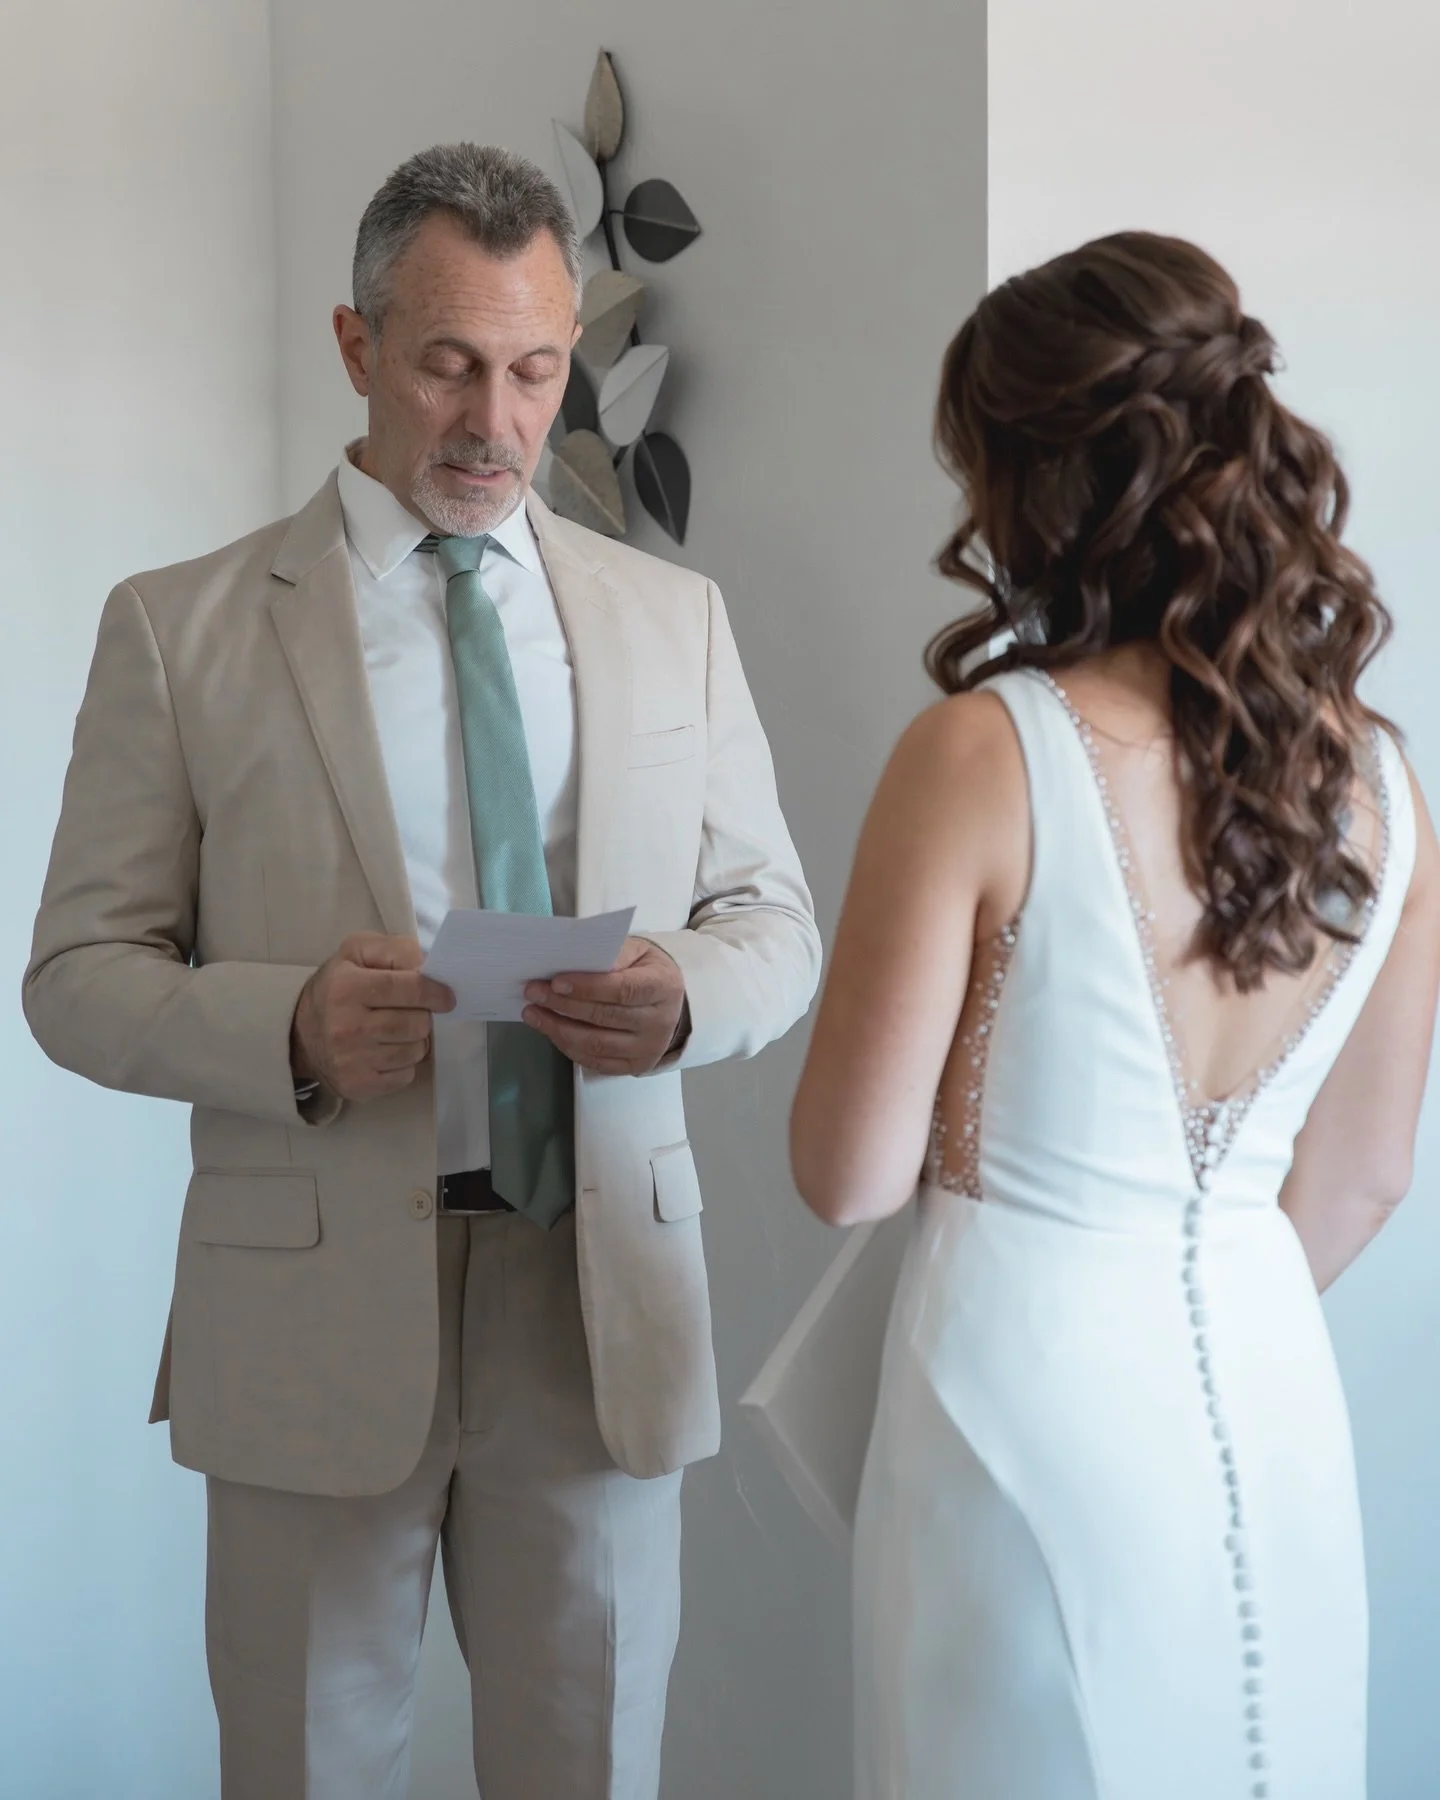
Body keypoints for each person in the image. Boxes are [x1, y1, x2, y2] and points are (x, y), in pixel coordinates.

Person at [24, 141, 819, 1800]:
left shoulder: (675, 619)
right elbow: (76, 974)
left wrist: (683, 997)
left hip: (597, 1307)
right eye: (452, 362)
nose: (496, 419)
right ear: (355, 343)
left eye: (537, 369)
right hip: (311, 1307)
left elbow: (775, 925)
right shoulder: (181, 627)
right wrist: (291, 1026)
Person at [789, 232, 1440, 1800]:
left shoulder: (979, 755)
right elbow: (1359, 1182)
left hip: (1015, 1403)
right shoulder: (1384, 783)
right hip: (1271, 1406)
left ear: (1033, 480)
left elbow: (848, 1175)